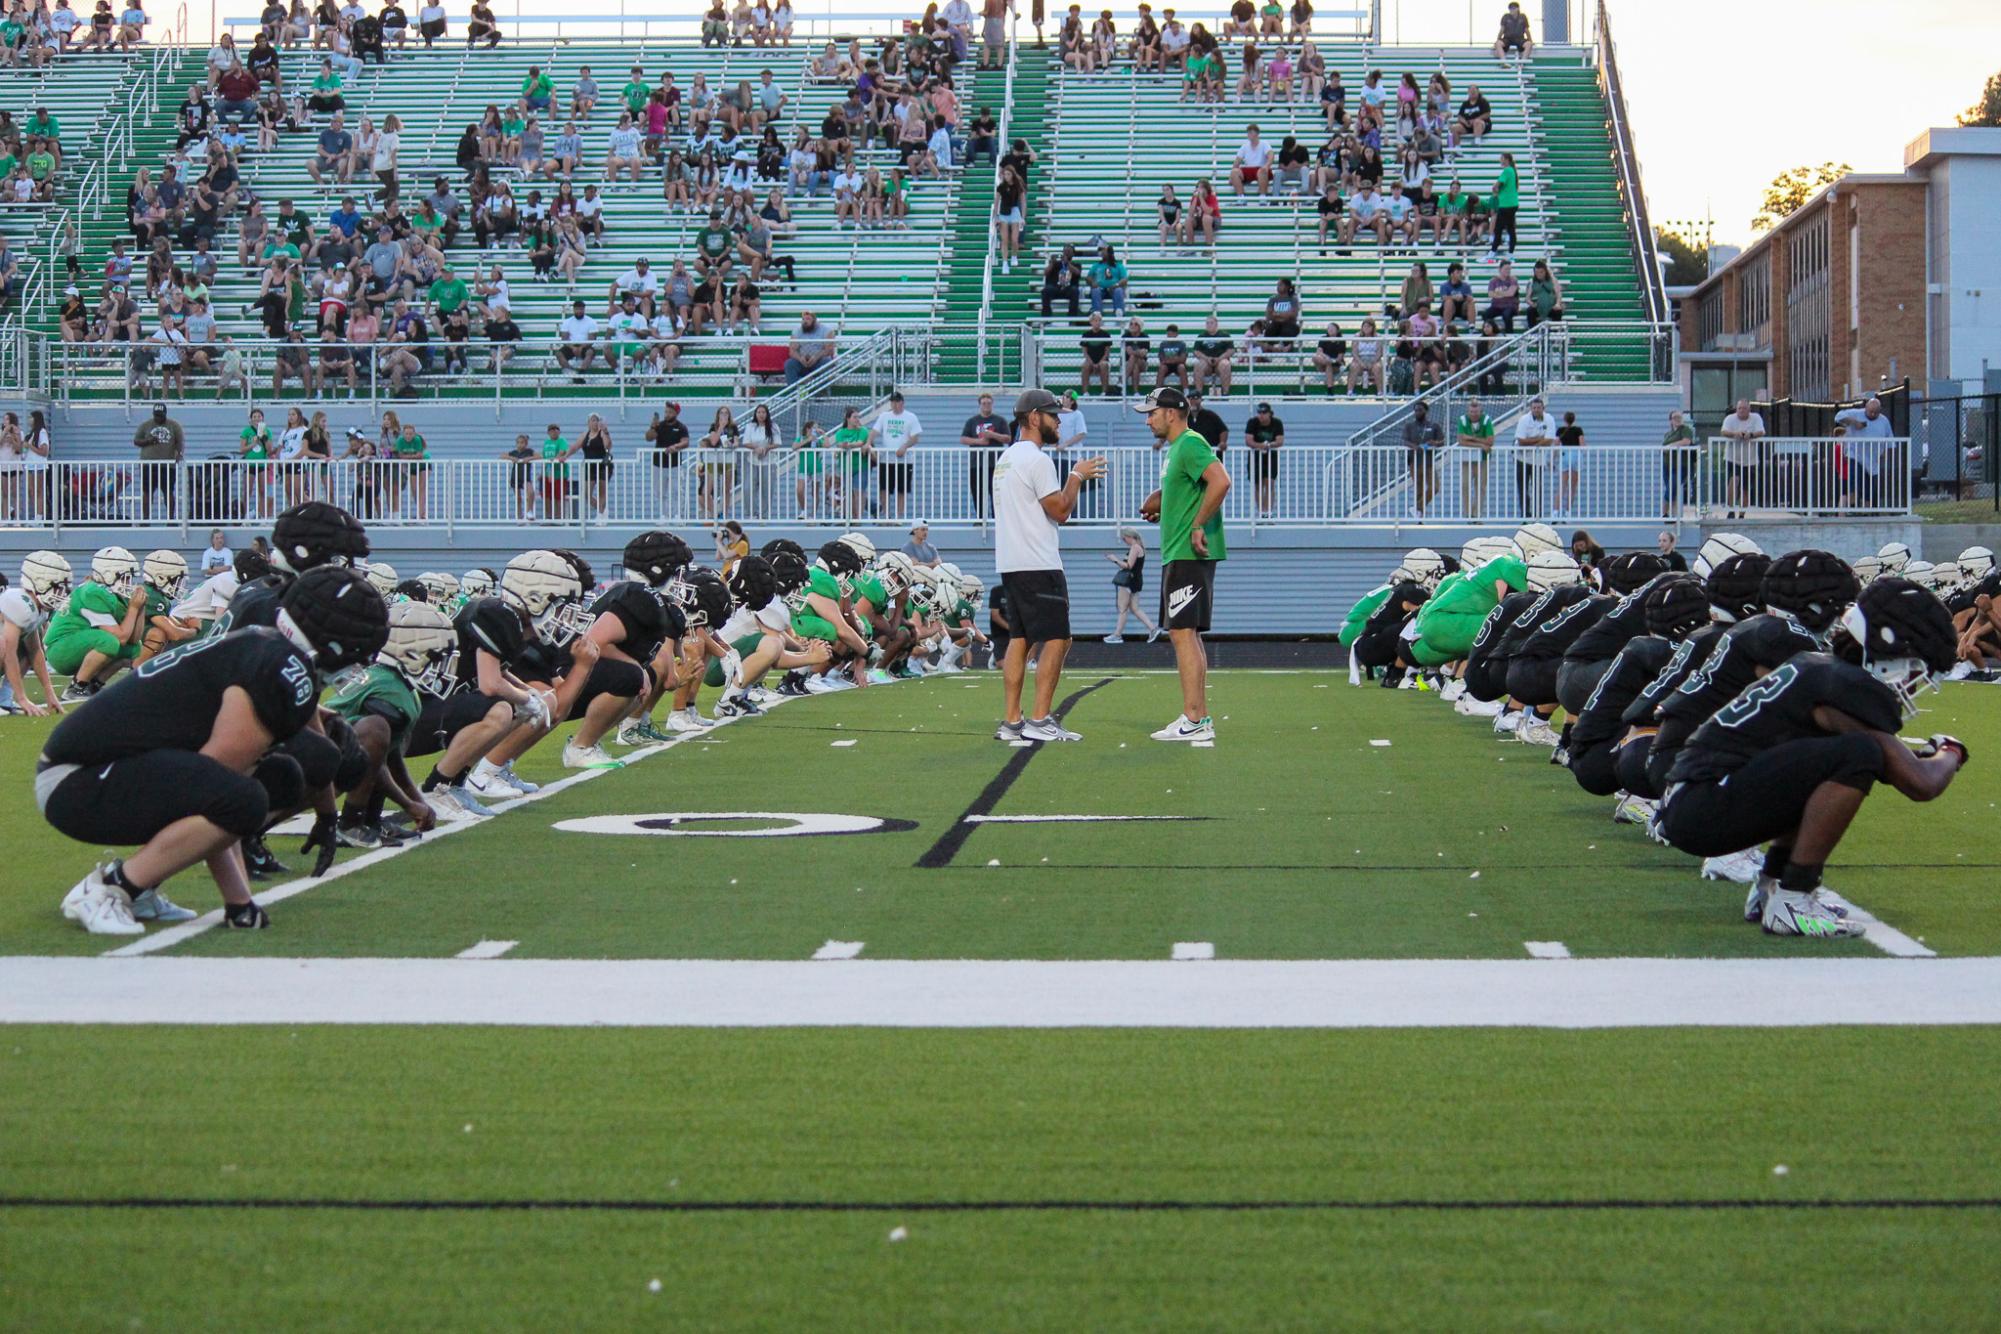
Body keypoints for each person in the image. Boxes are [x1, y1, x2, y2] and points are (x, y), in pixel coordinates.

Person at [40, 565, 388, 935]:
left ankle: (141, 886)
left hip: (102, 768)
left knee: (274, 780)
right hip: (78, 779)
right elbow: (216, 785)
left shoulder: (269, 646)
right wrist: (238, 898)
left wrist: (239, 903)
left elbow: (209, 784)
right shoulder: (278, 665)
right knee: (243, 796)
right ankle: (112, 887)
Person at [1659, 577, 1963, 937]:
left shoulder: (1823, 670)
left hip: (1697, 797)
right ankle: (1793, 897)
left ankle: (1770, 888)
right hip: (1703, 805)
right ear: (1887, 649)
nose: (1914, 683)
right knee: (1858, 755)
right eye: (1915, 668)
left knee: (1837, 760)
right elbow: (1920, 783)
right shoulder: (1845, 686)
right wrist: (1952, 751)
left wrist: (1907, 756)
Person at [993, 388, 1106, 743]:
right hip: (1038, 562)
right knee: (1058, 637)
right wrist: (1076, 476)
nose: (1059, 420)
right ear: (1032, 418)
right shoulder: (1037, 459)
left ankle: (1012, 721)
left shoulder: (1006, 458)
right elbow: (1060, 511)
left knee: (1020, 638)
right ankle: (1040, 721)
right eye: (1052, 414)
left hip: (1012, 562)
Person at [1138, 387, 1229, 742]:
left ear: (1171, 412)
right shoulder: (1178, 449)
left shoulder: (1190, 443)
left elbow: (1220, 482)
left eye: (1151, 413)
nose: (1148, 420)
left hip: (1187, 552)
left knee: (1181, 634)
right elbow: (1190, 489)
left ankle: (1194, 719)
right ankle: (1198, 717)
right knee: (1186, 634)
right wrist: (1160, 501)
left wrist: (1195, 525)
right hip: (1179, 552)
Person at [870, 390, 922, 522]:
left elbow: (915, 437)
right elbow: (875, 431)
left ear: (902, 403)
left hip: (904, 460)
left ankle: (899, 516)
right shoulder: (884, 416)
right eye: (892, 402)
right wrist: (868, 443)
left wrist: (904, 446)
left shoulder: (910, 417)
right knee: (884, 488)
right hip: (886, 459)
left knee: (902, 489)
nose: (894, 404)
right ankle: (886, 515)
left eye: (897, 401)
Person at [1104, 527, 1160, 644]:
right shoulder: (1139, 548)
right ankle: (1153, 629)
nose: (1125, 542)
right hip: (1135, 581)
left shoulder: (1135, 548)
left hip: (1128, 582)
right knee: (1135, 608)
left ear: (1130, 537)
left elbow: (1128, 566)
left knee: (1123, 608)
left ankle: (1117, 635)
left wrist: (1115, 560)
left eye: (1125, 539)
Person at [131, 401, 184, 520]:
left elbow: (180, 442)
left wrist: (179, 453)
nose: (158, 418)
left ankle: (171, 518)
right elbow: (136, 441)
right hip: (148, 464)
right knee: (147, 492)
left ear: (165, 414)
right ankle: (145, 519)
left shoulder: (174, 425)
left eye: (160, 415)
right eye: (156, 415)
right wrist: (148, 441)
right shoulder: (145, 425)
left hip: (167, 465)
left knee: (168, 492)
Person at [961, 391, 1009, 517]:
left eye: (988, 403)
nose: (986, 406)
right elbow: (963, 439)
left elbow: (1008, 438)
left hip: (995, 464)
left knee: (996, 492)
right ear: (979, 405)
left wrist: (992, 435)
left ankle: (996, 518)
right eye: (984, 403)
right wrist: (979, 441)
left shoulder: (999, 420)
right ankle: (981, 518)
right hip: (976, 463)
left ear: (992, 404)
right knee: (977, 492)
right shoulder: (972, 421)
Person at [1719, 397, 1765, 519]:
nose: (1741, 411)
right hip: (1732, 457)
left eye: (1744, 408)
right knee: (1733, 480)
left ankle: (1742, 514)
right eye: (1739, 408)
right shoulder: (1730, 418)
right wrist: (1735, 434)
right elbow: (1723, 431)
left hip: (1750, 459)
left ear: (1749, 409)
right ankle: (1731, 509)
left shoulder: (1756, 417)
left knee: (1746, 488)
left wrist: (1750, 435)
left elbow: (1761, 432)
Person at [1512, 396, 1554, 517]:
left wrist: (1532, 442)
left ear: (1543, 408)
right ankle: (1525, 513)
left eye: (1538, 408)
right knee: (1523, 487)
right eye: (1534, 408)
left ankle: (1538, 514)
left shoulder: (1549, 419)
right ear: (1531, 408)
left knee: (1537, 487)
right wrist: (1540, 440)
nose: (1536, 410)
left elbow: (1549, 441)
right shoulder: (1524, 419)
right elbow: (1521, 441)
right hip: (1522, 458)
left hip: (1539, 460)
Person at [1455, 397, 1495, 520]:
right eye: (1471, 412)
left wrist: (1471, 438)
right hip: (1467, 458)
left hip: (1482, 459)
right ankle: (1467, 514)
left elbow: (1490, 441)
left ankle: (1476, 514)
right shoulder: (1462, 420)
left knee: (1481, 486)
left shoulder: (1486, 420)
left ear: (1481, 412)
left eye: (1476, 412)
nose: (1474, 414)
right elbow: (1461, 440)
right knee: (1465, 484)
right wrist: (1480, 445)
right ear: (1468, 412)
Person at [1401, 400, 1443, 517]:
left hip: (1429, 462)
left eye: (1420, 410)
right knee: (1419, 489)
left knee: (1434, 487)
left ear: (1426, 411)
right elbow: (1405, 441)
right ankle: (1419, 516)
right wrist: (1415, 447)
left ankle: (1417, 507)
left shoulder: (1434, 426)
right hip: (1415, 461)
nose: (1417, 412)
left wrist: (1434, 443)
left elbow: (1442, 441)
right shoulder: (1409, 426)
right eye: (1415, 410)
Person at [1244, 401, 1284, 517]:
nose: (1261, 415)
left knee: (1270, 483)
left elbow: (1280, 441)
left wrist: (1269, 445)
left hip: (1271, 457)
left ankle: (1269, 512)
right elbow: (1248, 440)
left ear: (1270, 414)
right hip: (1256, 457)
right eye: (1259, 413)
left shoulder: (1277, 423)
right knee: (1258, 484)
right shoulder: (1252, 422)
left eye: (1264, 413)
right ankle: (1261, 511)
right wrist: (1260, 446)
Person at [1661, 408, 1697, 519]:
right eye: (1674, 417)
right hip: (1668, 465)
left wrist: (1670, 446)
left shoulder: (1686, 429)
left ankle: (1665, 513)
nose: (1677, 419)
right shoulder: (1668, 434)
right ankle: (1672, 515)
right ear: (1670, 420)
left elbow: (1686, 442)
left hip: (1681, 465)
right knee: (1671, 490)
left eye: (1679, 417)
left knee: (1672, 488)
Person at [1554, 410, 1585, 517]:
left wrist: (1553, 458)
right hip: (1575, 455)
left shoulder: (1560, 430)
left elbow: (1556, 443)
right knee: (1573, 486)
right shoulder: (1578, 430)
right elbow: (1582, 444)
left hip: (1565, 455)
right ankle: (1567, 512)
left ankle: (1556, 511)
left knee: (1562, 485)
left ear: (1564, 419)